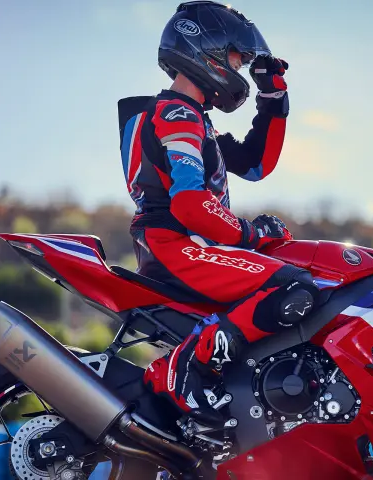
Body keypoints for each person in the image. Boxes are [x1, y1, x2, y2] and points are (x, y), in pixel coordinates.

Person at [117, 1, 320, 426]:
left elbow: (254, 163)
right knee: (293, 287)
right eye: (237, 58)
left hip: (184, 244)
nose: (241, 68)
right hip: (177, 245)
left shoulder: (191, 120)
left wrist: (273, 99)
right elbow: (190, 204)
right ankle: (189, 370)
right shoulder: (177, 116)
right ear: (204, 49)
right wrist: (250, 234)